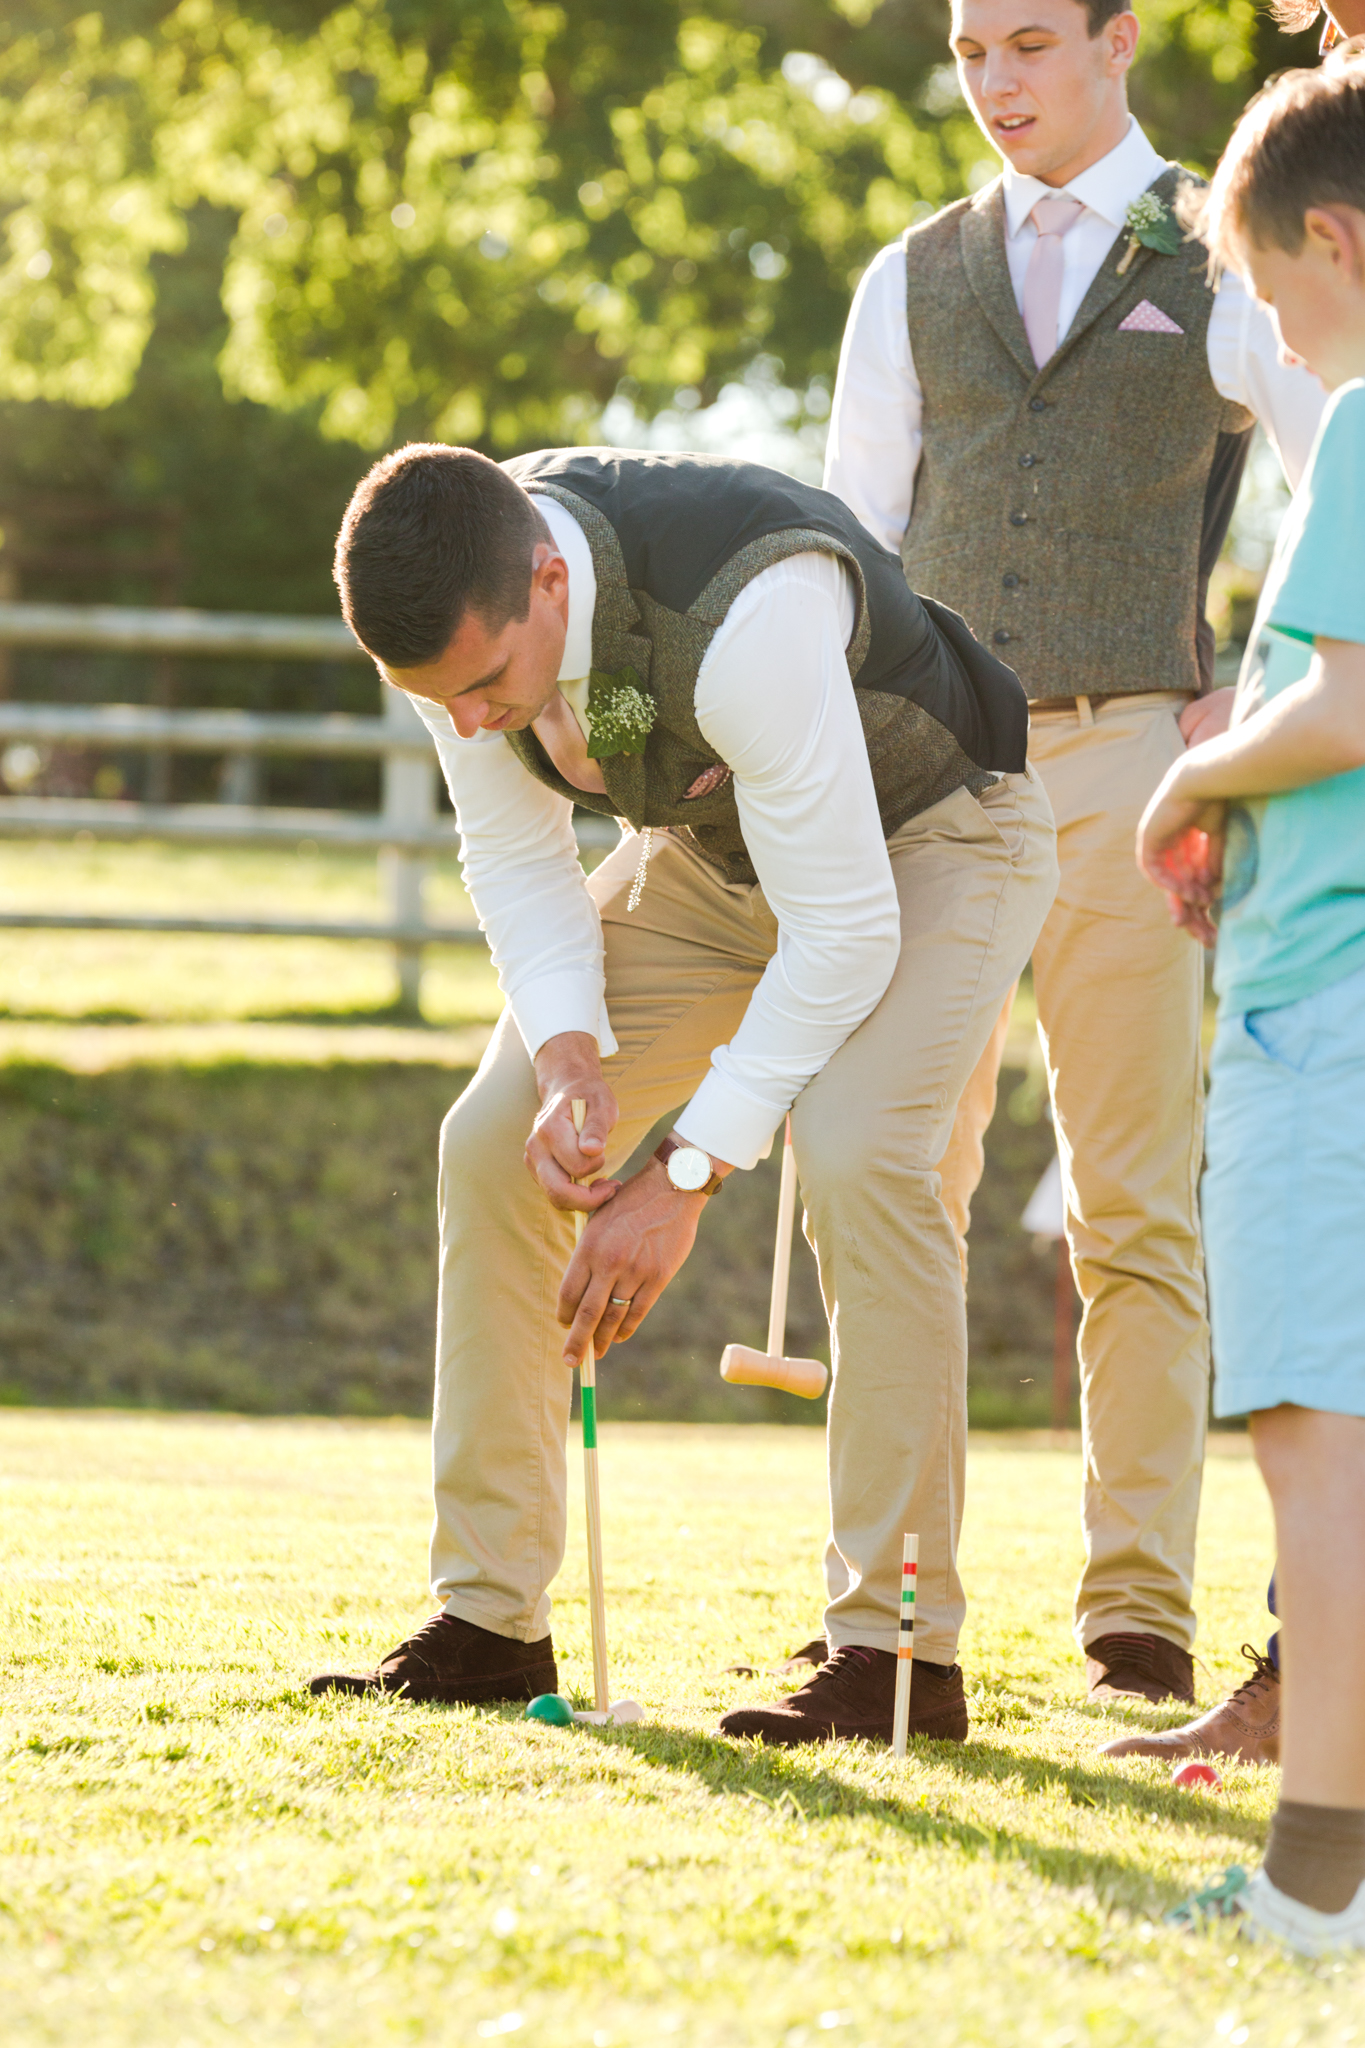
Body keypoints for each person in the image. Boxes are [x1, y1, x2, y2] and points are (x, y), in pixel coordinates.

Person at [308, 444, 1057, 1745]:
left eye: (484, 686)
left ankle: (894, 1655)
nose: (471, 720)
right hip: (712, 864)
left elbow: (843, 933)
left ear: (550, 581)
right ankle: (489, 1620)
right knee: (490, 1142)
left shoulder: (742, 614)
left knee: (855, 1151)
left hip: (934, 838)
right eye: (441, 701)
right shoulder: (465, 630)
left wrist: (684, 1171)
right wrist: (568, 1052)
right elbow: (511, 845)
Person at [817, 0, 1326, 1708]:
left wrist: (1245, 690)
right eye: (971, 56)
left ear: (1116, 43)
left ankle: (1138, 1614)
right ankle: (890, 1620)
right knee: (900, 1184)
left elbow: (1340, 464)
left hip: (1131, 753)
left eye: (1029, 44)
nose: (995, 84)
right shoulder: (909, 271)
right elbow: (849, 543)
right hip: (934, 771)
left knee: (1132, 1205)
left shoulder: (1218, 243)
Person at [1102, 0, 1365, 1773]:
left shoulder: (1356, 429)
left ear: (1334, 243)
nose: (1273, 338)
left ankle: (1322, 1865)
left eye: (1268, 300)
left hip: (1310, 1004)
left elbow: (1349, 703)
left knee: (1305, 1421)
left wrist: (1192, 775)